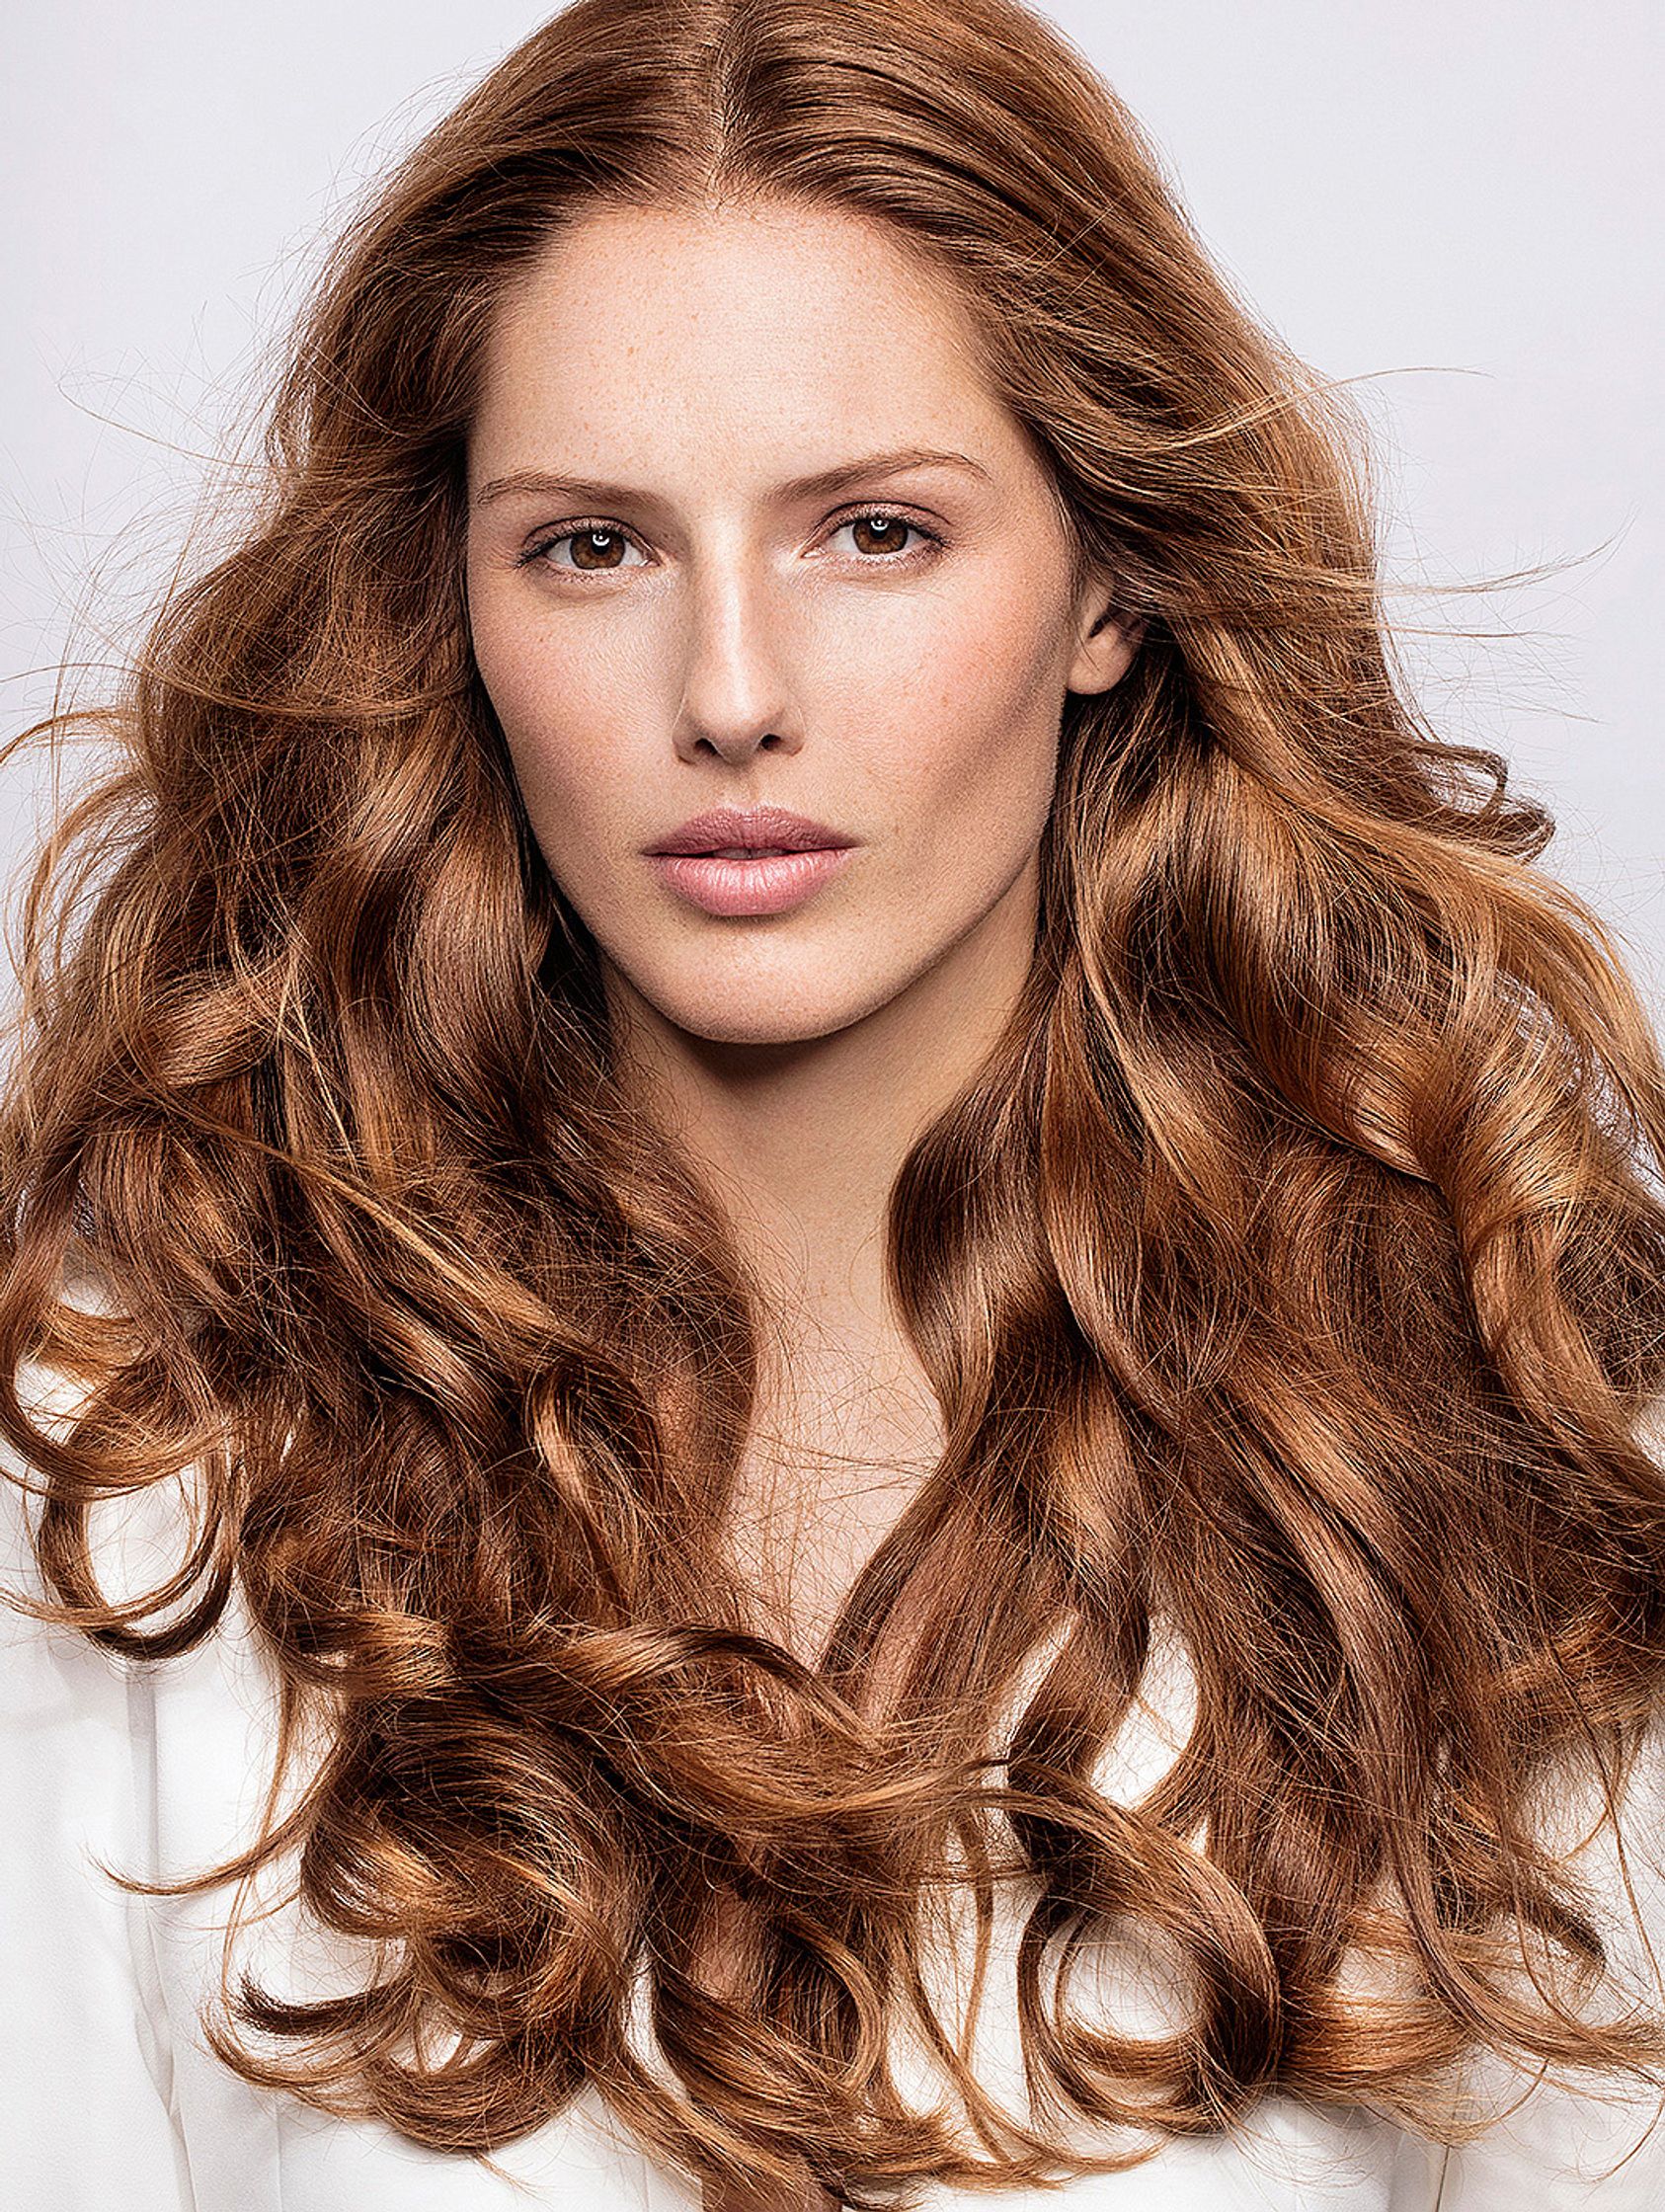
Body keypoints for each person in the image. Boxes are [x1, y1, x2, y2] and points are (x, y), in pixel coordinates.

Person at [4, 0, 1665, 2205]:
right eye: (591, 545)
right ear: (454, 603)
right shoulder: (128, 1456)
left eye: (873, 531)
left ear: (1111, 579)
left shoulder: (1490, 1441)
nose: (730, 695)